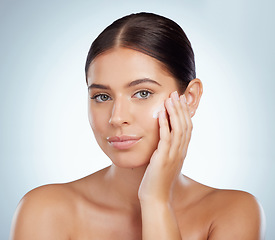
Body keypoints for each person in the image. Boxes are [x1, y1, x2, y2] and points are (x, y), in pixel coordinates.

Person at [10, 12, 265, 240]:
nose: (116, 117)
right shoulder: (45, 211)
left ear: (189, 98)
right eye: (102, 96)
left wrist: (156, 201)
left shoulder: (232, 212)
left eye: (142, 93)